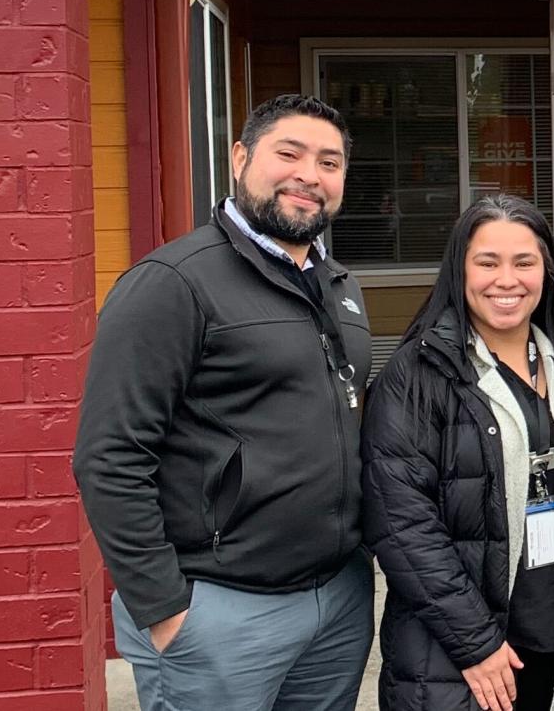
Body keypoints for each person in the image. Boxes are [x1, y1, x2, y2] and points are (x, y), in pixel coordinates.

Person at [74, 94, 375, 711]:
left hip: (337, 601)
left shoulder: (339, 285)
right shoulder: (173, 284)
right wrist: (164, 608)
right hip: (219, 610)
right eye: (288, 154)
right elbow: (109, 456)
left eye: (329, 162)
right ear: (240, 158)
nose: (309, 176)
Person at [361, 195, 554, 711]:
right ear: (459, 271)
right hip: (458, 655)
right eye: (487, 263)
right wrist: (475, 643)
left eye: (524, 262)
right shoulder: (416, 375)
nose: (507, 280)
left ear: (546, 270)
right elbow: (401, 524)